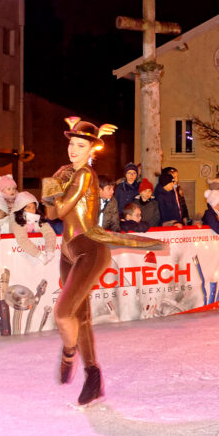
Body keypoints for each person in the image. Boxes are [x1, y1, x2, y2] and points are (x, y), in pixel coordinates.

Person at [41, 118, 159, 406]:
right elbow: (52, 214)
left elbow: (59, 209)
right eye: (71, 143)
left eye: (80, 145)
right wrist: (54, 185)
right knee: (80, 317)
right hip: (68, 250)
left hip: (89, 249)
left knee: (63, 312)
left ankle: (69, 353)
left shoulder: (84, 176)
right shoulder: (67, 173)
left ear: (91, 149)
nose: (73, 149)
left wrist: (50, 185)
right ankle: (92, 377)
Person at [9, 191, 56, 263]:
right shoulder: (15, 220)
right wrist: (39, 255)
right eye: (28, 207)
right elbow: (22, 239)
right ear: (20, 208)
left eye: (34, 208)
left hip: (33, 258)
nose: (32, 211)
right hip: (18, 257)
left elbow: (49, 232)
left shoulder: (36, 219)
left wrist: (50, 250)